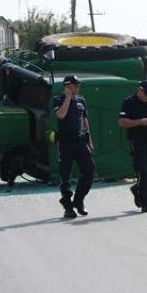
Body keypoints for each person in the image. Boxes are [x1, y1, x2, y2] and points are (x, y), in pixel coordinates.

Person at [119, 80, 147, 213]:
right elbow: (121, 122)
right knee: (142, 169)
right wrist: (140, 122)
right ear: (139, 91)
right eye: (146, 95)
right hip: (137, 139)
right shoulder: (129, 102)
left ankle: (137, 188)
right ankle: (146, 203)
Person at [53, 74, 95, 219]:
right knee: (65, 176)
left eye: (78, 85)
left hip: (80, 141)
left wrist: (89, 139)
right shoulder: (58, 100)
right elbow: (61, 115)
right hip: (66, 143)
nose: (78, 88)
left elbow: (84, 119)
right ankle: (67, 205)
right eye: (75, 85)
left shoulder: (81, 100)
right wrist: (67, 98)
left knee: (89, 170)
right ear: (68, 86)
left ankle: (79, 200)